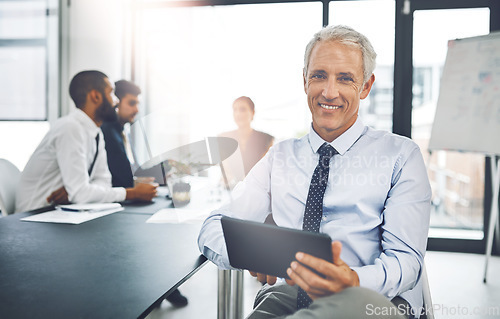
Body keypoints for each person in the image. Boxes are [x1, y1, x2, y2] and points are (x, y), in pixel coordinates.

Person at [198, 25, 431, 319]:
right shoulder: (279, 156)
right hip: (290, 295)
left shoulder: (400, 155)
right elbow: (214, 226)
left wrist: (354, 280)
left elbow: (407, 263)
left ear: (366, 87)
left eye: (345, 79)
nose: (329, 92)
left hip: (370, 298)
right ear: (305, 82)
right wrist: (246, 252)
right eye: (319, 75)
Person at [15, 70, 157, 213]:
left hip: (62, 213)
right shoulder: (70, 128)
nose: (117, 101)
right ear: (95, 96)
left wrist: (79, 192)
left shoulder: (96, 133)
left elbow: (104, 183)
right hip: (35, 214)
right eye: (112, 93)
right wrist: (132, 193)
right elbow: (80, 193)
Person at [100, 79, 188, 307]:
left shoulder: (121, 131)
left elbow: (129, 172)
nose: (136, 109)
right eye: (131, 103)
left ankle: (161, 288)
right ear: (116, 103)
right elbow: (122, 178)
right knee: (158, 226)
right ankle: (162, 288)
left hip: (119, 199)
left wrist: (162, 169)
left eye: (138, 103)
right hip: (112, 206)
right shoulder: (108, 131)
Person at [219, 96, 274, 186]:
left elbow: (265, 172)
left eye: (242, 109)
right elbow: (226, 172)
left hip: (258, 190)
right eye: (235, 110)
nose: (238, 114)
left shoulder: (266, 139)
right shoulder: (224, 138)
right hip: (232, 190)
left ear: (252, 112)